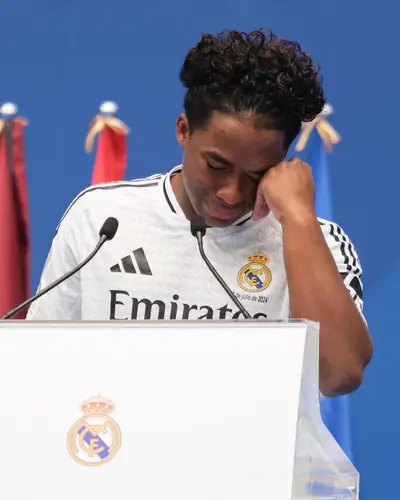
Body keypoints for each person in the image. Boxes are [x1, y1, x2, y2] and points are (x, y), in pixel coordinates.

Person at [26, 29, 373, 397]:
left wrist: (299, 218)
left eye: (257, 175)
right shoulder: (101, 217)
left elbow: (338, 374)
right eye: (216, 165)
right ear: (183, 131)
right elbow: (36, 363)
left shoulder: (316, 240)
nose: (230, 193)